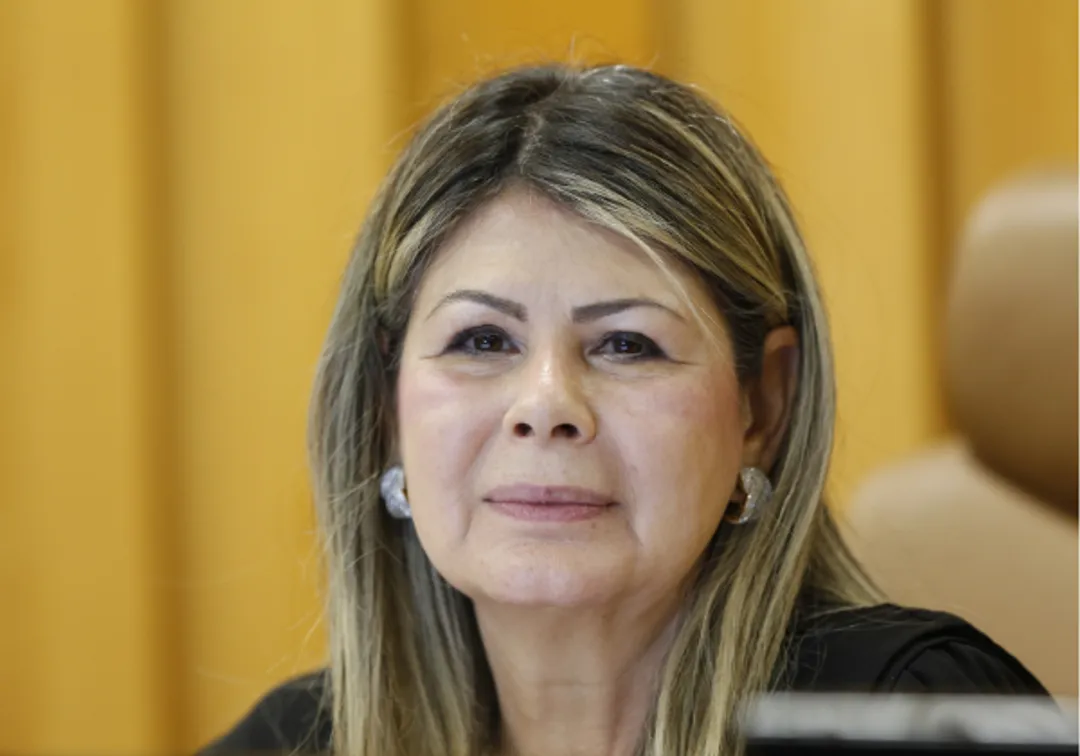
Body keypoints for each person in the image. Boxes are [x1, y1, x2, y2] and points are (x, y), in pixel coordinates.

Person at [201, 64, 1046, 756]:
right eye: (483, 340)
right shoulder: (295, 743)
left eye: (627, 345)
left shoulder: (912, 720)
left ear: (763, 404)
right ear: (388, 407)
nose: (546, 406)